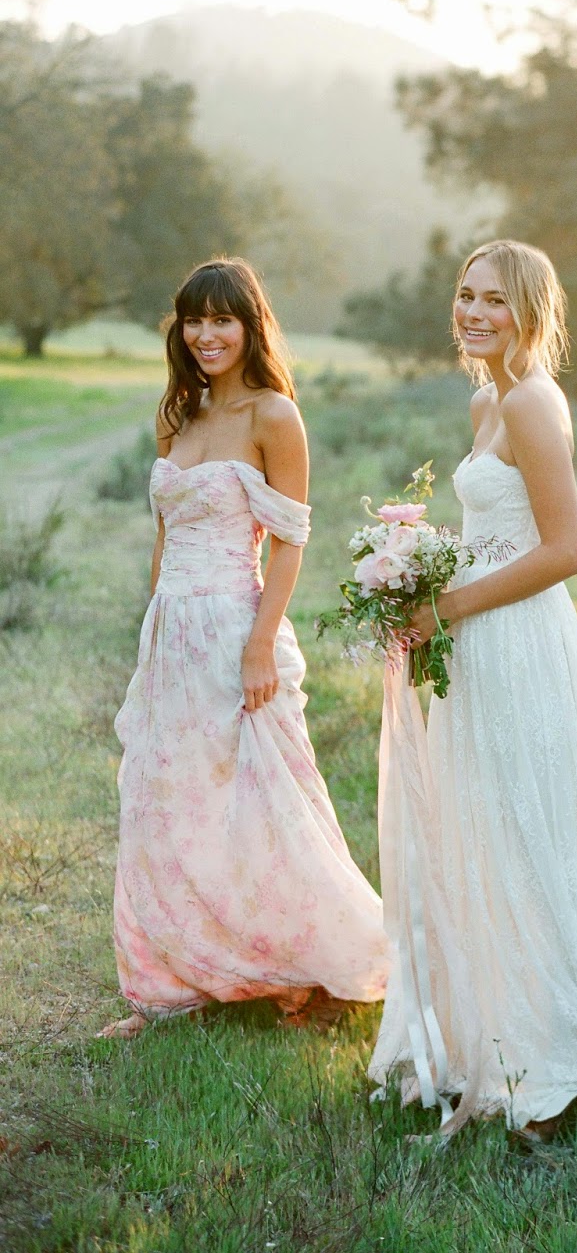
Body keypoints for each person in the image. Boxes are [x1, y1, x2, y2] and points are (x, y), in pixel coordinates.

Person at [368, 239, 577, 1134]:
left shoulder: (533, 403)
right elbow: (498, 528)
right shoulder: (488, 401)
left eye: (495, 301)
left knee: (525, 833)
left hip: (520, 645)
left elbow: (566, 550)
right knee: (484, 834)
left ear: (531, 312)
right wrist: (416, 571)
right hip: (479, 643)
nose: (474, 313)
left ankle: (546, 1052)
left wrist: (451, 605)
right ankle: (492, 1034)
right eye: (466, 296)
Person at [101, 258, 386, 1038]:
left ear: (249, 327)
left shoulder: (273, 416)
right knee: (166, 802)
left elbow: (290, 543)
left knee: (258, 803)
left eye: (222, 320)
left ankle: (294, 965)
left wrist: (260, 645)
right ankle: (173, 983)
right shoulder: (177, 414)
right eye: (193, 320)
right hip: (172, 633)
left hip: (236, 626)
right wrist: (152, 639)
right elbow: (164, 536)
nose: (205, 335)